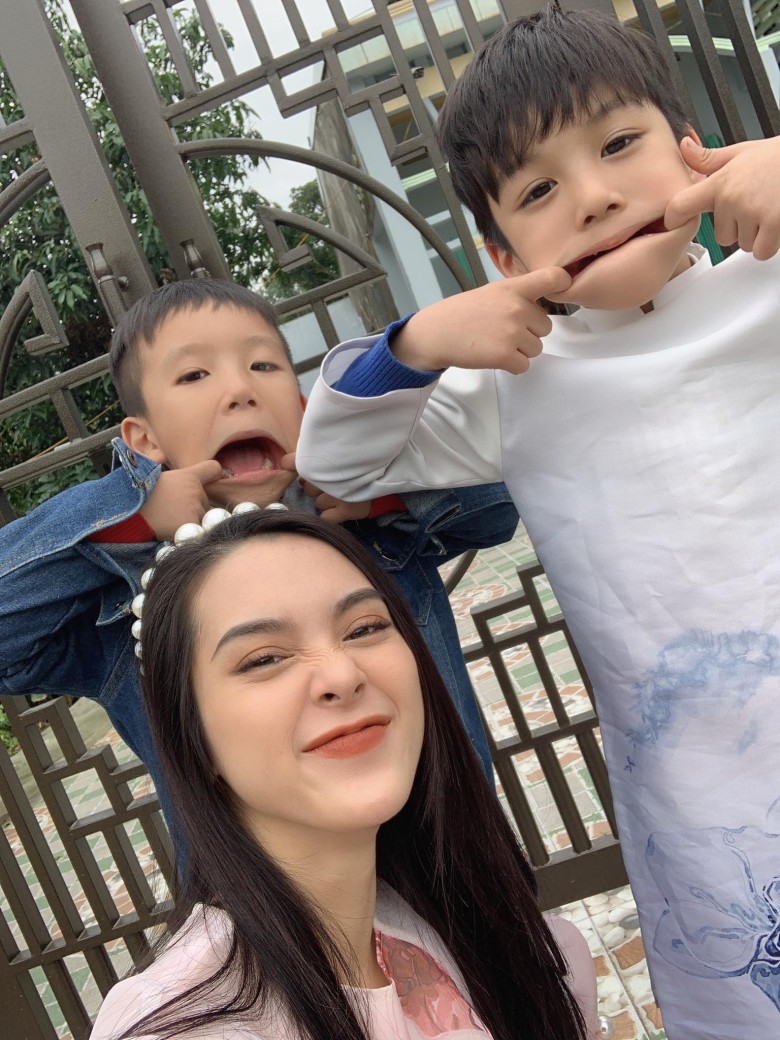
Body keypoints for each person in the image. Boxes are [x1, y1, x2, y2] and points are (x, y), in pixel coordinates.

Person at [294, 9, 780, 1038]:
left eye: (620, 143)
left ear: (694, 149)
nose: (594, 196)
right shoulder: (516, 380)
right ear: (499, 249)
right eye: (539, 191)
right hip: (705, 793)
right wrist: (420, 342)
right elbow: (335, 461)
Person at [0, 280, 520, 812]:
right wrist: (129, 516)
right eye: (194, 375)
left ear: (301, 407)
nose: (240, 390)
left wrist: (382, 490)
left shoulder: (376, 532)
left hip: (451, 843)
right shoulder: (123, 605)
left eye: (263, 365)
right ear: (146, 440)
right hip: (253, 867)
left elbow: (501, 509)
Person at [90, 509, 599, 1040]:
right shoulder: (184, 1024)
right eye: (264, 659)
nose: (341, 674)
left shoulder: (504, 947)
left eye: (365, 628)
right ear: (191, 737)